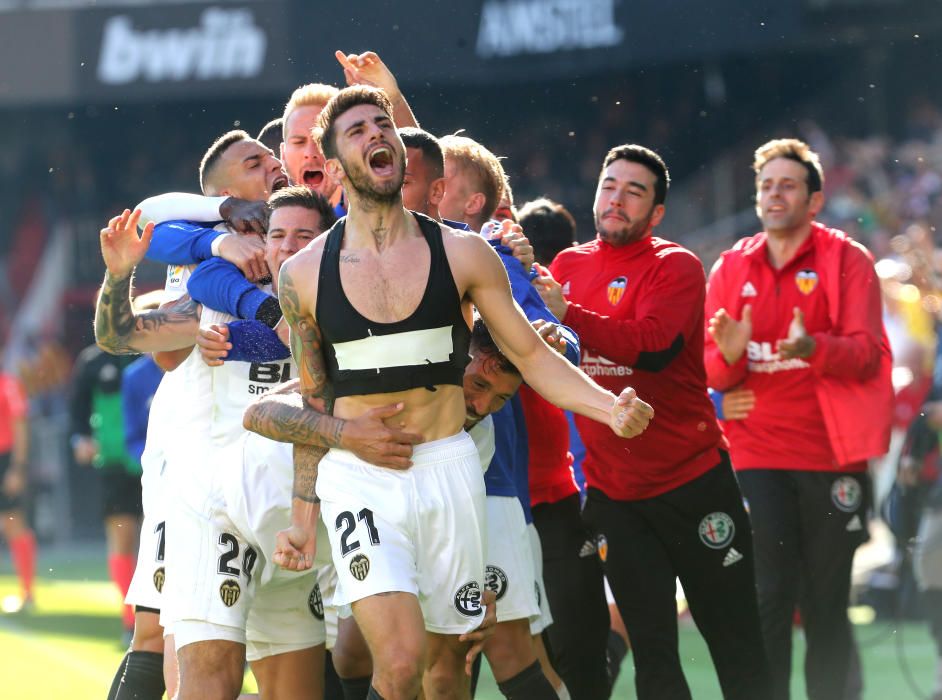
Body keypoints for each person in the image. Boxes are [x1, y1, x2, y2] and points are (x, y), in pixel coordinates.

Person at [268, 85, 652, 700]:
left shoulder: (465, 252)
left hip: (451, 469)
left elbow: (531, 354)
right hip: (360, 480)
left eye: (381, 123)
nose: (375, 135)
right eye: (356, 130)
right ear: (336, 168)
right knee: (396, 661)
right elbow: (315, 402)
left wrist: (611, 408)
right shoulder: (303, 274)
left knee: (446, 668)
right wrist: (302, 518)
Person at [534, 143, 770, 700]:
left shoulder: (676, 265)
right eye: (608, 186)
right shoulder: (567, 267)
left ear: (656, 213)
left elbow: (655, 347)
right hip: (617, 498)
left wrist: (570, 317)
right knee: (654, 653)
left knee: (737, 645)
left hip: (694, 483)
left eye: (633, 191)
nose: (616, 199)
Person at [96, 186, 339, 700]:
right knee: (206, 680)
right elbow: (119, 337)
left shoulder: (348, 302)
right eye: (277, 235)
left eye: (304, 236)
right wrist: (119, 276)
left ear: (328, 242)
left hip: (302, 516)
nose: (288, 246)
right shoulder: (212, 298)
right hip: (216, 511)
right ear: (259, 241)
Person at [705, 138, 893, 700]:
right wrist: (734, 353)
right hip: (759, 453)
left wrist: (813, 346)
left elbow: (867, 355)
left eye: (787, 185)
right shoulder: (732, 264)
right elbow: (713, 372)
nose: (773, 194)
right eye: (766, 185)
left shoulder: (847, 259)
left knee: (826, 603)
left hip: (833, 454)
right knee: (768, 597)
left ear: (815, 200)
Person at [517, 197, 612, 700]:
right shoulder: (529, 294)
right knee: (575, 646)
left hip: (550, 487)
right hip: (565, 488)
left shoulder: (536, 299)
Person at [69, 344, 141, 637]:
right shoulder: (92, 362)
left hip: (157, 463)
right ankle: (130, 619)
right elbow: (78, 409)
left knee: (157, 542)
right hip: (114, 465)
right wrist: (80, 440)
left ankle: (162, 618)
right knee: (122, 539)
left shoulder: (149, 355)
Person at [0, 366, 34, 613]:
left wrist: (18, 467)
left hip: (5, 459)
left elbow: (20, 424)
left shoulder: (8, 384)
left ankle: (27, 591)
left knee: (14, 524)